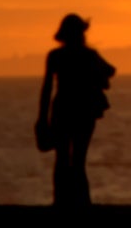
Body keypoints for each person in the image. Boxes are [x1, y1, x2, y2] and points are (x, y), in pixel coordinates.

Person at [37, 14, 116, 209]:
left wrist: (42, 117)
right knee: (79, 160)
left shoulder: (55, 56)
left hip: (63, 109)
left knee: (62, 158)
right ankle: (82, 203)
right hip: (84, 111)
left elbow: (47, 89)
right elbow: (110, 70)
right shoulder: (89, 55)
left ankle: (61, 202)